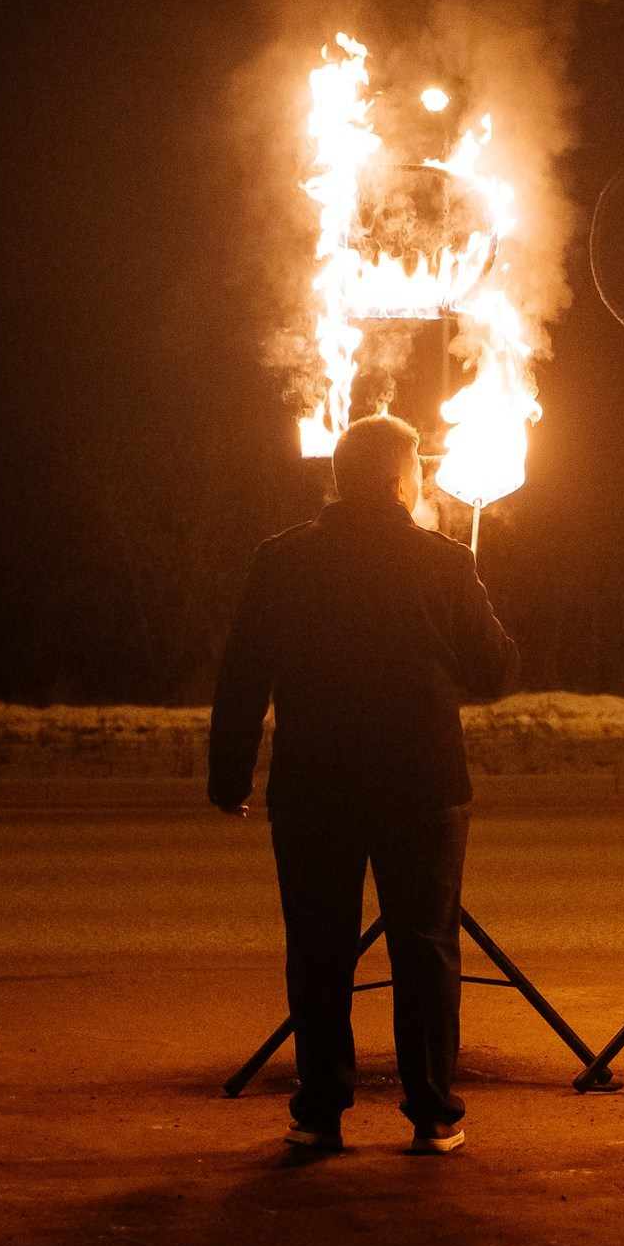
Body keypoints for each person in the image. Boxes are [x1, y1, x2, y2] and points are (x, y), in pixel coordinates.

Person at [209, 412, 516, 1154]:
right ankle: (435, 1111)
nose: (424, 480)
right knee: (426, 947)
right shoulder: (441, 561)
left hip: (316, 785)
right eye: (417, 467)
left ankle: (320, 1110)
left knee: (318, 947)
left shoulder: (281, 560)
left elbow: (243, 672)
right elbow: (496, 672)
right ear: (395, 479)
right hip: (421, 785)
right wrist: (472, 595)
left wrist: (229, 773)